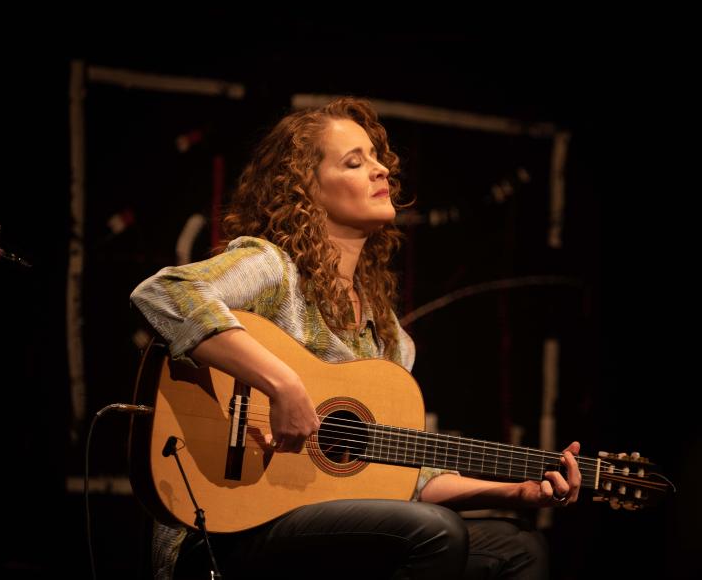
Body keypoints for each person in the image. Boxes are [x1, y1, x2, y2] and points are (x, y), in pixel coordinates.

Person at [130, 96, 581, 579]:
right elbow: (165, 293)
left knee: (520, 546)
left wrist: (515, 491)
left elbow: (405, 478)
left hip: (328, 528)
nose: (381, 169)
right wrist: (283, 385)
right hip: (226, 526)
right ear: (307, 188)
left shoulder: (390, 339)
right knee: (434, 530)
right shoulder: (273, 268)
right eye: (354, 161)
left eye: (377, 157)